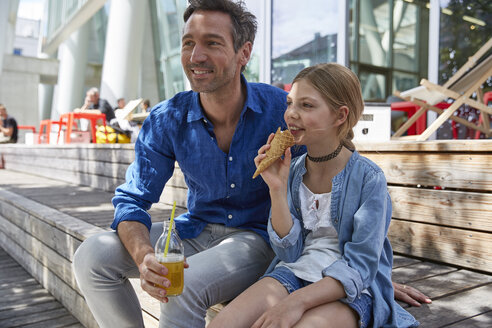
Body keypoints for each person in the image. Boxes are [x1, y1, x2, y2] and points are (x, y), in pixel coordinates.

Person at [72, 1, 428, 327]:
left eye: (212, 43)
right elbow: (132, 200)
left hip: (256, 241)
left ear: (244, 52)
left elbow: (339, 193)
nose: (195, 55)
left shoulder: (283, 113)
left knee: (183, 288)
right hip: (194, 231)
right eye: (187, 43)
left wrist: (367, 277)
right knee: (91, 255)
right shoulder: (167, 119)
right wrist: (144, 255)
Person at [209, 63, 419, 328]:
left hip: (350, 290)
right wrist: (276, 188)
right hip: (296, 272)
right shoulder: (293, 171)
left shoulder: (368, 178)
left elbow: (361, 267)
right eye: (290, 103)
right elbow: (290, 253)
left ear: (340, 115)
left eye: (306, 106)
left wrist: (294, 303)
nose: (291, 114)